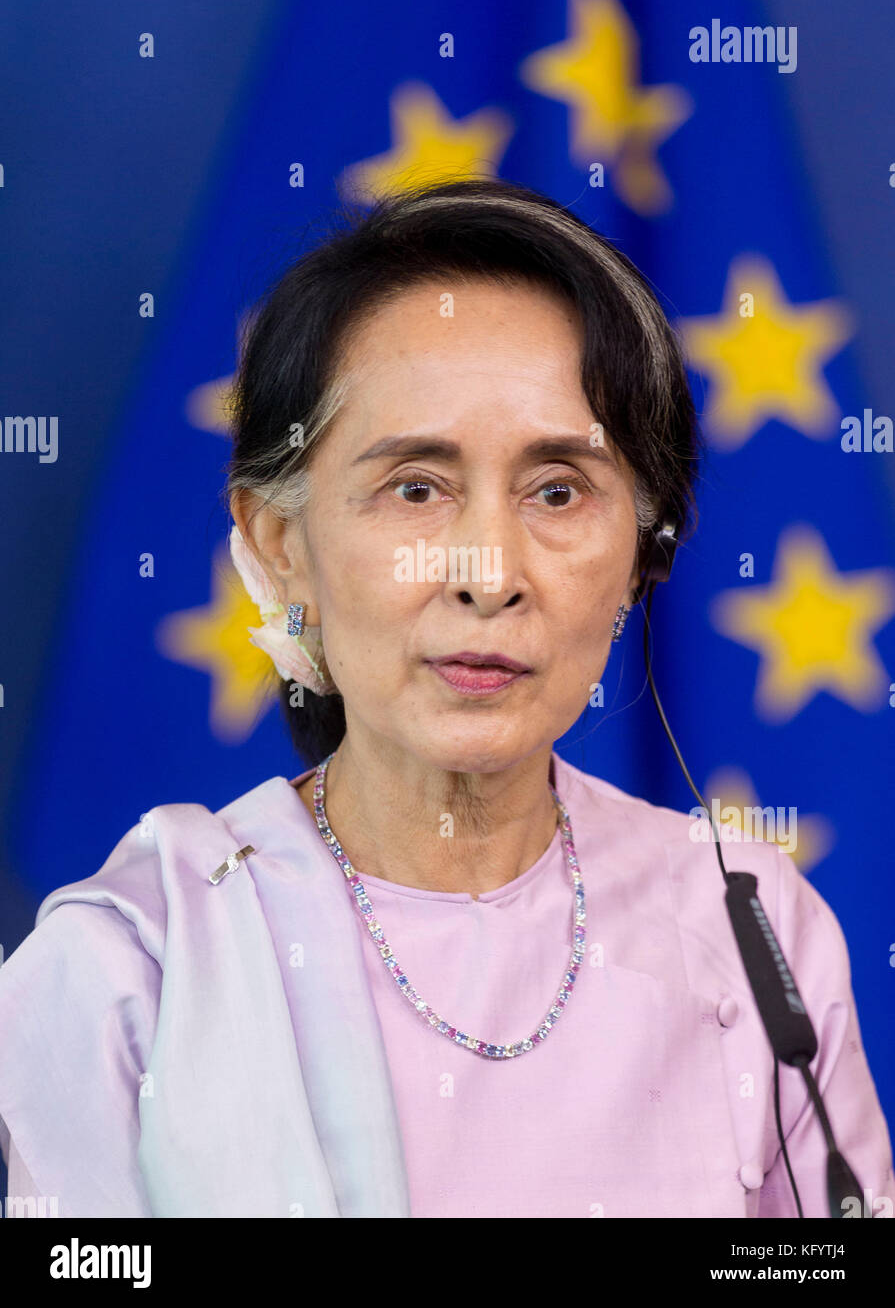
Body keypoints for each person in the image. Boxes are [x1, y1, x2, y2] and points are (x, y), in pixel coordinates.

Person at [0, 179, 891, 1218]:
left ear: (642, 553)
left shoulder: (752, 926)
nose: (488, 571)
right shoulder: (133, 973)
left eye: (558, 490)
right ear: (280, 548)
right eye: (416, 487)